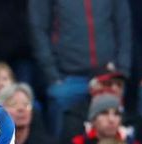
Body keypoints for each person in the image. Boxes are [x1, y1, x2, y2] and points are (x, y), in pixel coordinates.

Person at [28, 0, 132, 136]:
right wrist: (52, 75)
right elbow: (38, 28)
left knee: (112, 138)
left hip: (107, 75)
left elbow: (123, 26)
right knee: (62, 139)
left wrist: (122, 71)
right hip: (66, 77)